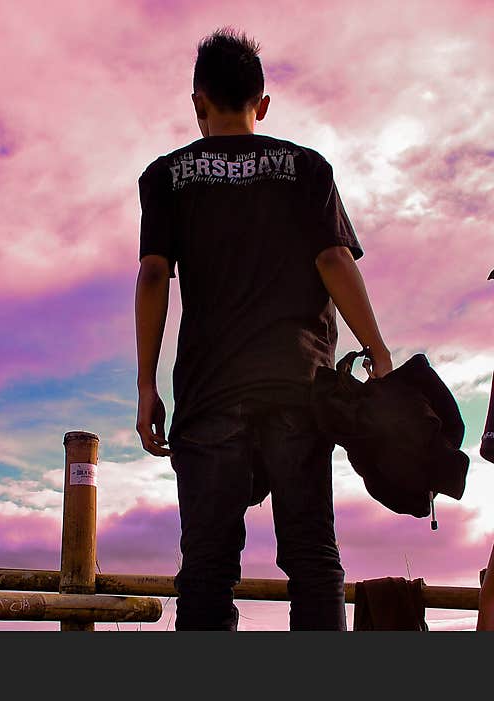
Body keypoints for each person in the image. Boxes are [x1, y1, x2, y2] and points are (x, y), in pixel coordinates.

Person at [134, 27, 392, 630]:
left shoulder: (164, 177)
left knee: (206, 567)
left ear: (198, 103)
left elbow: (152, 275)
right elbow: (334, 261)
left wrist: (146, 385)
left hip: (209, 395)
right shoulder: (307, 168)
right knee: (311, 557)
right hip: (298, 391)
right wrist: (377, 351)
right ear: (263, 103)